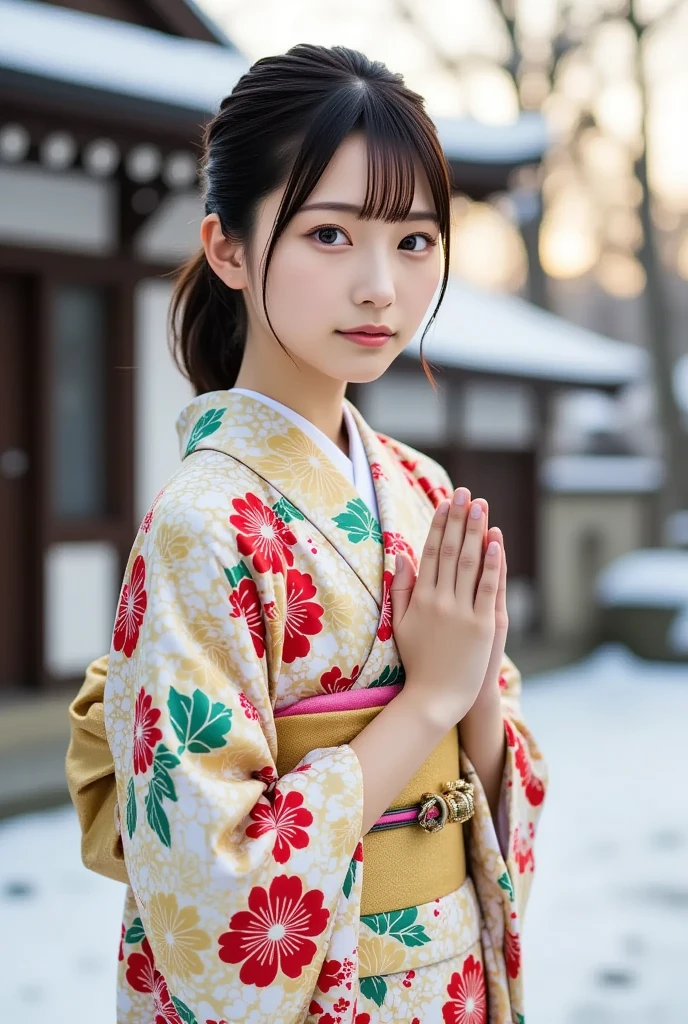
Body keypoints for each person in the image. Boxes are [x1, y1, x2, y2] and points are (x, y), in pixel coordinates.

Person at [65, 44, 546, 1024]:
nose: (381, 287)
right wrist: (433, 698)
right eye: (331, 235)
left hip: (449, 980)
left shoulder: (421, 486)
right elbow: (214, 883)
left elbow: (493, 774)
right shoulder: (203, 525)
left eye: (414, 241)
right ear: (229, 248)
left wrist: (472, 698)